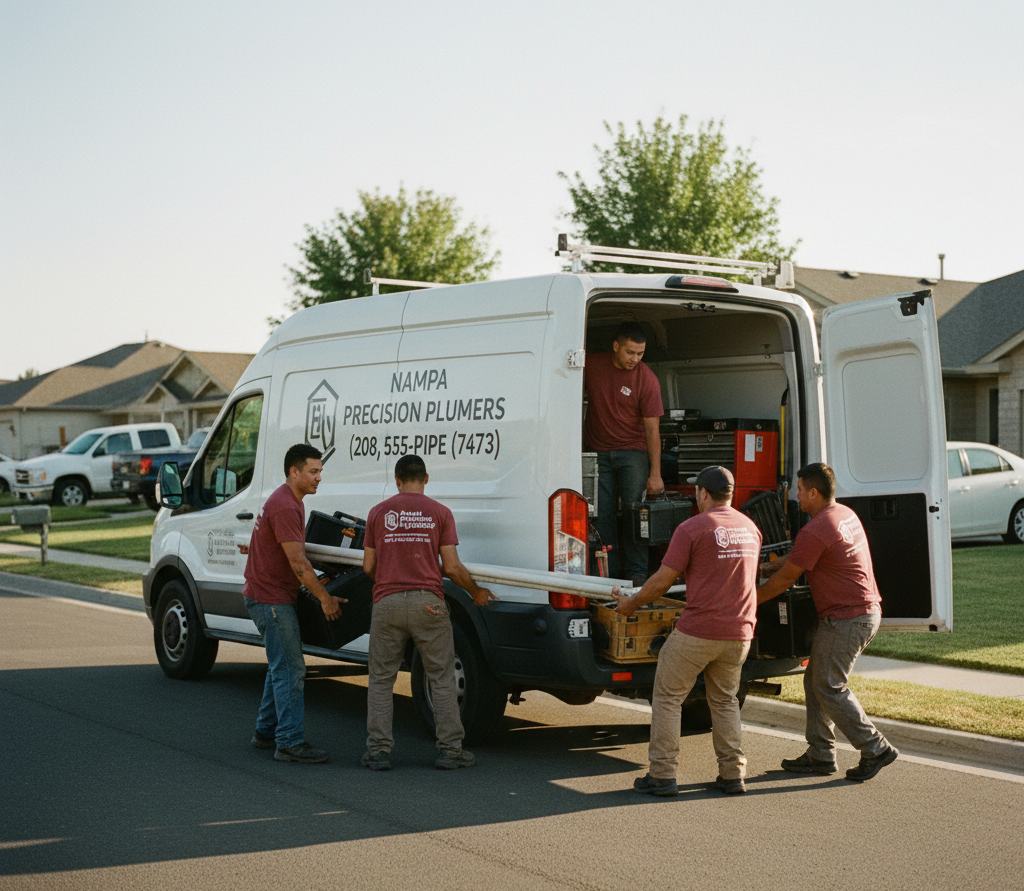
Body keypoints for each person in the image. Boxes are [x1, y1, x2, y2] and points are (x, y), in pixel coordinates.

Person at [613, 465, 761, 796]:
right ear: (731, 493)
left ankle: (663, 775)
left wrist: (631, 603)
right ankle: (732, 773)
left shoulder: (692, 528)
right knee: (724, 700)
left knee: (667, 696)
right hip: (740, 632)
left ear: (703, 493)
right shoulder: (750, 528)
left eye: (697, 491)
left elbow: (662, 581)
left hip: (699, 631)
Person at [757, 462, 898, 782]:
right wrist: (768, 568)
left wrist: (752, 600)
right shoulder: (844, 515)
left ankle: (876, 747)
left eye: (799, 489)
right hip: (860, 613)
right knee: (815, 681)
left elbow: (787, 580)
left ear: (814, 492)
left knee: (829, 685)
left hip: (847, 619)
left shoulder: (816, 528)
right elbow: (803, 555)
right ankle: (820, 754)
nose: (796, 495)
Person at [361, 454, 498, 771]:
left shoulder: (377, 513)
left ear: (396, 481)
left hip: (387, 603)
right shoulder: (440, 513)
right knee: (442, 678)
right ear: (426, 479)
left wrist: (390, 580)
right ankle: (451, 751)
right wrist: (476, 591)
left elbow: (368, 566)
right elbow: (451, 567)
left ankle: (378, 752)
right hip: (429, 604)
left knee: (381, 680)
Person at [240, 443, 344, 764]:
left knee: (280, 665)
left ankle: (265, 731)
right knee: (291, 668)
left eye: (320, 472)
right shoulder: (286, 506)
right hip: (270, 599)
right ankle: (288, 742)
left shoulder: (289, 501)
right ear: (294, 472)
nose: (319, 478)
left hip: (265, 594)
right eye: (313, 472)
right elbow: (299, 564)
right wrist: (325, 598)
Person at [585, 321, 665, 588]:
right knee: (601, 516)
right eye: (631, 352)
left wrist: (655, 474)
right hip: (598, 452)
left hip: (633, 453)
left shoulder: (647, 379)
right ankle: (608, 572)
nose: (635, 359)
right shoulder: (592, 365)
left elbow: (653, 430)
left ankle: (637, 573)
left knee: (635, 514)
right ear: (616, 346)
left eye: (641, 354)